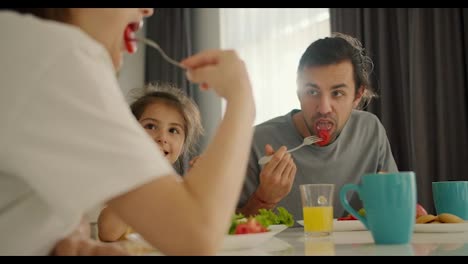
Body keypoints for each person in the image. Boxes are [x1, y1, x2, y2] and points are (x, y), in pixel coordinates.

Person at [0, 8, 255, 256]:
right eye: (150, 126)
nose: (148, 10)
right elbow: (196, 237)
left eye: (174, 130)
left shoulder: (20, 43)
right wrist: (241, 97)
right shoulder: (57, 51)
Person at [237, 32, 398, 222]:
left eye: (337, 93)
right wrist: (263, 199)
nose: (323, 108)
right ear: (299, 92)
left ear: (357, 96)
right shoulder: (256, 142)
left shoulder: (370, 131)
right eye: (312, 91)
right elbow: (223, 234)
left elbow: (395, 208)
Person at [98, 83, 204, 242]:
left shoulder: (180, 188)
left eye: (173, 130)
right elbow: (108, 232)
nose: (162, 137)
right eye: (151, 126)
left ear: (182, 146)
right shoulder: (125, 182)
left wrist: (202, 185)